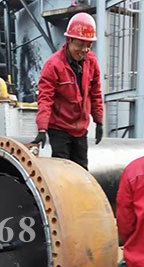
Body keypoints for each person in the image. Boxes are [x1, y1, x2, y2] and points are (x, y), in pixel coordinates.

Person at [32, 12, 104, 170]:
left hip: (80, 128)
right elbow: (45, 98)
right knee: (62, 170)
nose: (84, 49)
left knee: (81, 169)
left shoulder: (91, 62)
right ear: (69, 40)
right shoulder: (53, 65)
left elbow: (96, 93)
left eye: (88, 45)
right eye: (80, 44)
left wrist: (99, 121)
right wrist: (42, 128)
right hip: (59, 128)